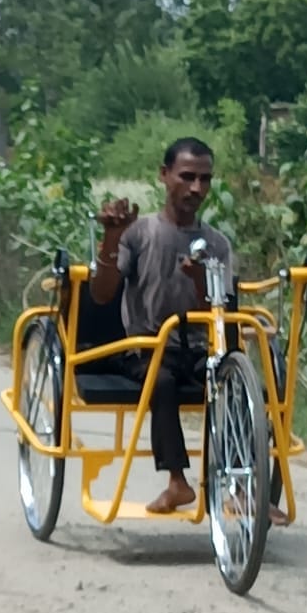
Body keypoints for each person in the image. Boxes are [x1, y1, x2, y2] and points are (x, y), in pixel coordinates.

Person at [89, 137, 230, 515]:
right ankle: (177, 482)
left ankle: (253, 489)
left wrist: (201, 281)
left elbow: (222, 314)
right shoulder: (140, 233)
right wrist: (111, 238)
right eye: (187, 177)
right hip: (146, 349)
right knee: (161, 380)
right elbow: (102, 294)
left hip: (198, 350)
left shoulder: (217, 244)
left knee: (242, 388)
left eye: (205, 179)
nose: (197, 188)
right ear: (164, 176)